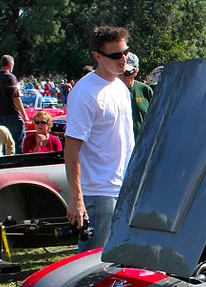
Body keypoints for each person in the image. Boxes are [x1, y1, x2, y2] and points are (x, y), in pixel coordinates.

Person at [64, 25, 134, 252]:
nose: (123, 59)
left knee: (122, 261)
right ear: (97, 56)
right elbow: (71, 149)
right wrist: (76, 199)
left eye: (125, 52)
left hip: (124, 188)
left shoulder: (121, 87)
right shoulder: (85, 93)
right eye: (115, 55)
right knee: (92, 266)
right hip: (99, 193)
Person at [0, 55, 29, 155]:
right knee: (17, 142)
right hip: (12, 114)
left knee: (5, 142)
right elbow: (16, 98)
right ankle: (18, 163)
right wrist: (25, 116)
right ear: (10, 65)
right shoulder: (10, 77)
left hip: (1, 114)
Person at [117, 51, 153, 140]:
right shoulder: (110, 91)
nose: (123, 76)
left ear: (135, 71)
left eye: (127, 73)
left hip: (142, 144)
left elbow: (154, 118)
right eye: (120, 72)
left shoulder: (145, 90)